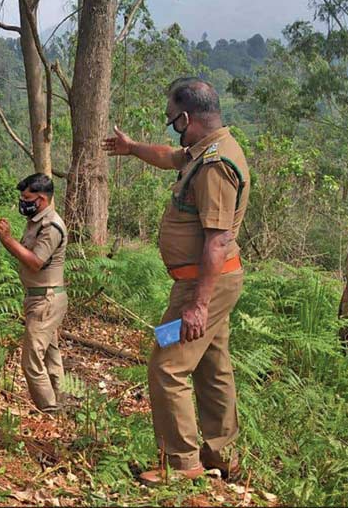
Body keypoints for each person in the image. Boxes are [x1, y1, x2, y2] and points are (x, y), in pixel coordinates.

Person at [103, 78, 250, 483]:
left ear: (187, 117)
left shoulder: (217, 165)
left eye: (173, 121)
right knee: (212, 366)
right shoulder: (205, 151)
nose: (173, 129)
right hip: (210, 282)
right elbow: (171, 157)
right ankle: (223, 454)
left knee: (166, 366)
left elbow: (217, 240)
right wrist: (132, 149)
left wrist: (197, 305)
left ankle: (183, 464)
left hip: (204, 285)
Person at [0, 174, 68, 414]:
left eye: (27, 198)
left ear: (42, 199)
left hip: (47, 300)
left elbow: (35, 261)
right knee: (51, 356)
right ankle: (63, 404)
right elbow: (24, 251)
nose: (22, 202)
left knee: (31, 359)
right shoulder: (36, 220)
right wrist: (3, 237)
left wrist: (7, 238)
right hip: (37, 297)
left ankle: (48, 410)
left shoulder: (51, 226)